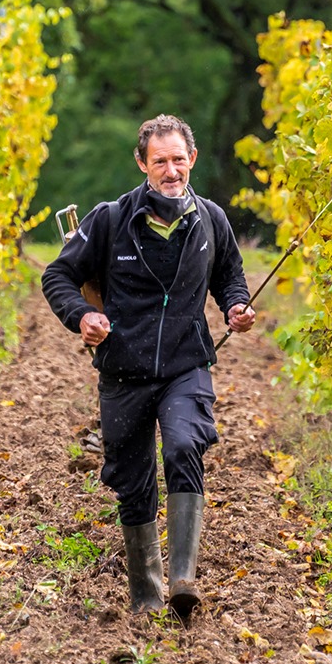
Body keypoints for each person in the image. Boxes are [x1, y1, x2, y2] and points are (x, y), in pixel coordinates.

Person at [41, 114, 256, 617]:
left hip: (186, 364)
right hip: (123, 372)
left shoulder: (212, 220)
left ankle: (183, 579)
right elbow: (58, 275)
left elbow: (230, 277)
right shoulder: (110, 219)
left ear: (192, 160)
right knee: (133, 483)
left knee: (185, 446)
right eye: (159, 161)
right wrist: (83, 315)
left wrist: (235, 307)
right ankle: (145, 598)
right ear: (142, 163)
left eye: (178, 159)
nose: (171, 170)